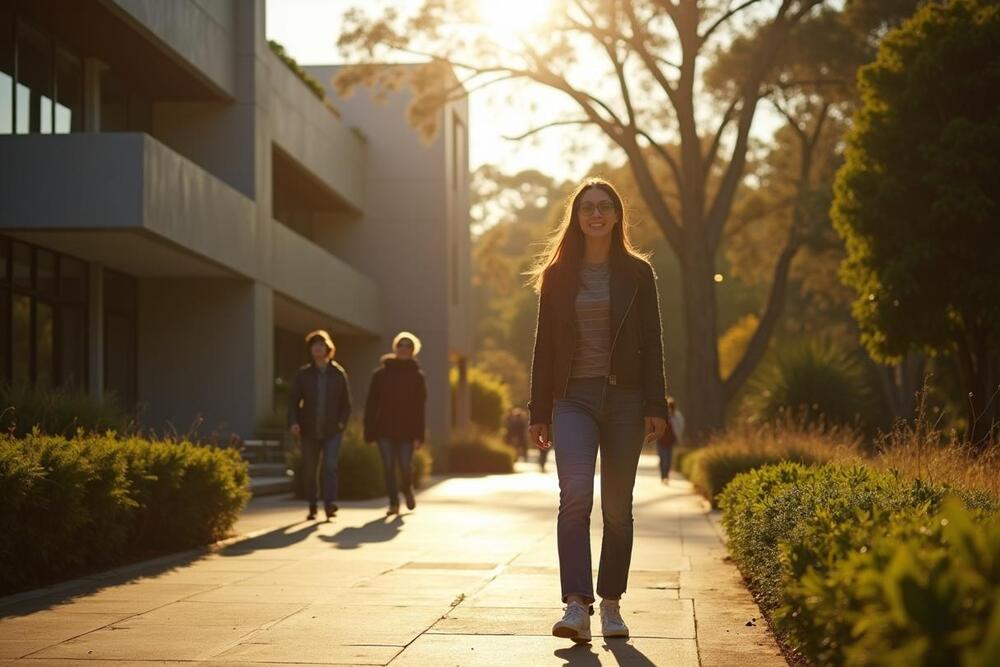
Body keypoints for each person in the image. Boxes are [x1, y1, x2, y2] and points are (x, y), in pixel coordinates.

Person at [527, 178, 668, 644]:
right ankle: (575, 605)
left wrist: (654, 402)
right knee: (574, 498)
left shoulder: (637, 273)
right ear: (577, 216)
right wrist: (538, 412)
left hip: (627, 399)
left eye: (604, 206)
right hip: (572, 400)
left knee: (617, 507)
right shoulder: (558, 274)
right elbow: (544, 346)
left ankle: (610, 605)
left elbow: (652, 342)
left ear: (616, 215)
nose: (595, 214)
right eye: (587, 207)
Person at [288, 330, 352, 521]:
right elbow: (293, 401)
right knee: (310, 470)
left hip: (333, 430)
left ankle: (329, 504)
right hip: (309, 429)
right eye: (314, 345)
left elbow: (346, 404)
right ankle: (312, 505)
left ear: (328, 349)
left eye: (321, 345)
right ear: (311, 349)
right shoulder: (303, 374)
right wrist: (294, 422)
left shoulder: (338, 374)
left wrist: (341, 423)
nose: (318, 348)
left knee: (330, 466)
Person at [364, 331, 427, 516]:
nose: (404, 349)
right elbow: (371, 404)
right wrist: (369, 432)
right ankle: (393, 503)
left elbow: (420, 409)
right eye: (400, 345)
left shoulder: (418, 376)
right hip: (384, 429)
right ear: (395, 348)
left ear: (413, 351)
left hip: (407, 431)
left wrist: (419, 436)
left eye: (408, 346)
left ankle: (407, 490)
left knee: (405, 465)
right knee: (388, 466)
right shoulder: (380, 375)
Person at [657, 397, 685, 484]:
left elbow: (680, 426)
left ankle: (666, 476)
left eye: (671, 406)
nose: (670, 408)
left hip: (670, 442)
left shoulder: (677, 416)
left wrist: (678, 438)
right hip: (660, 441)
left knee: (668, 460)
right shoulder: (662, 415)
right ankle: (663, 476)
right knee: (662, 459)